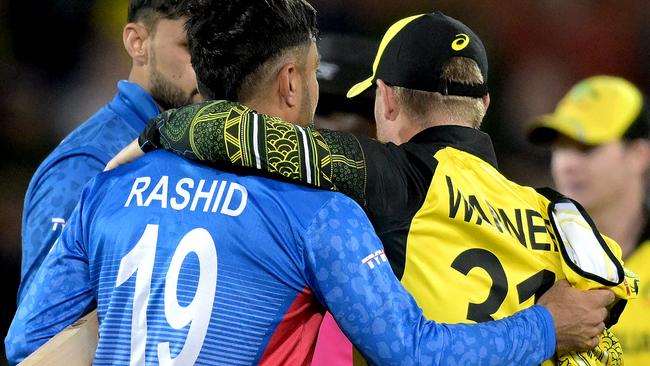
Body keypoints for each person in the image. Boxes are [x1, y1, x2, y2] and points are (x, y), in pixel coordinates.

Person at [6, 2, 614, 365]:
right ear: (293, 82)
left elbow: (29, 344)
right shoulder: (320, 212)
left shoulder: (107, 185)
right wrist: (545, 327)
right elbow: (414, 353)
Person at [17, 0, 201, 303]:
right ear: (137, 43)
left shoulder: (200, 146)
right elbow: (42, 341)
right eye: (189, 46)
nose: (206, 67)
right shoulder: (82, 166)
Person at [528, 75, 650, 365]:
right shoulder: (533, 252)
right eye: (560, 146)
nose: (568, 163)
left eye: (587, 147)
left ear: (639, 154)